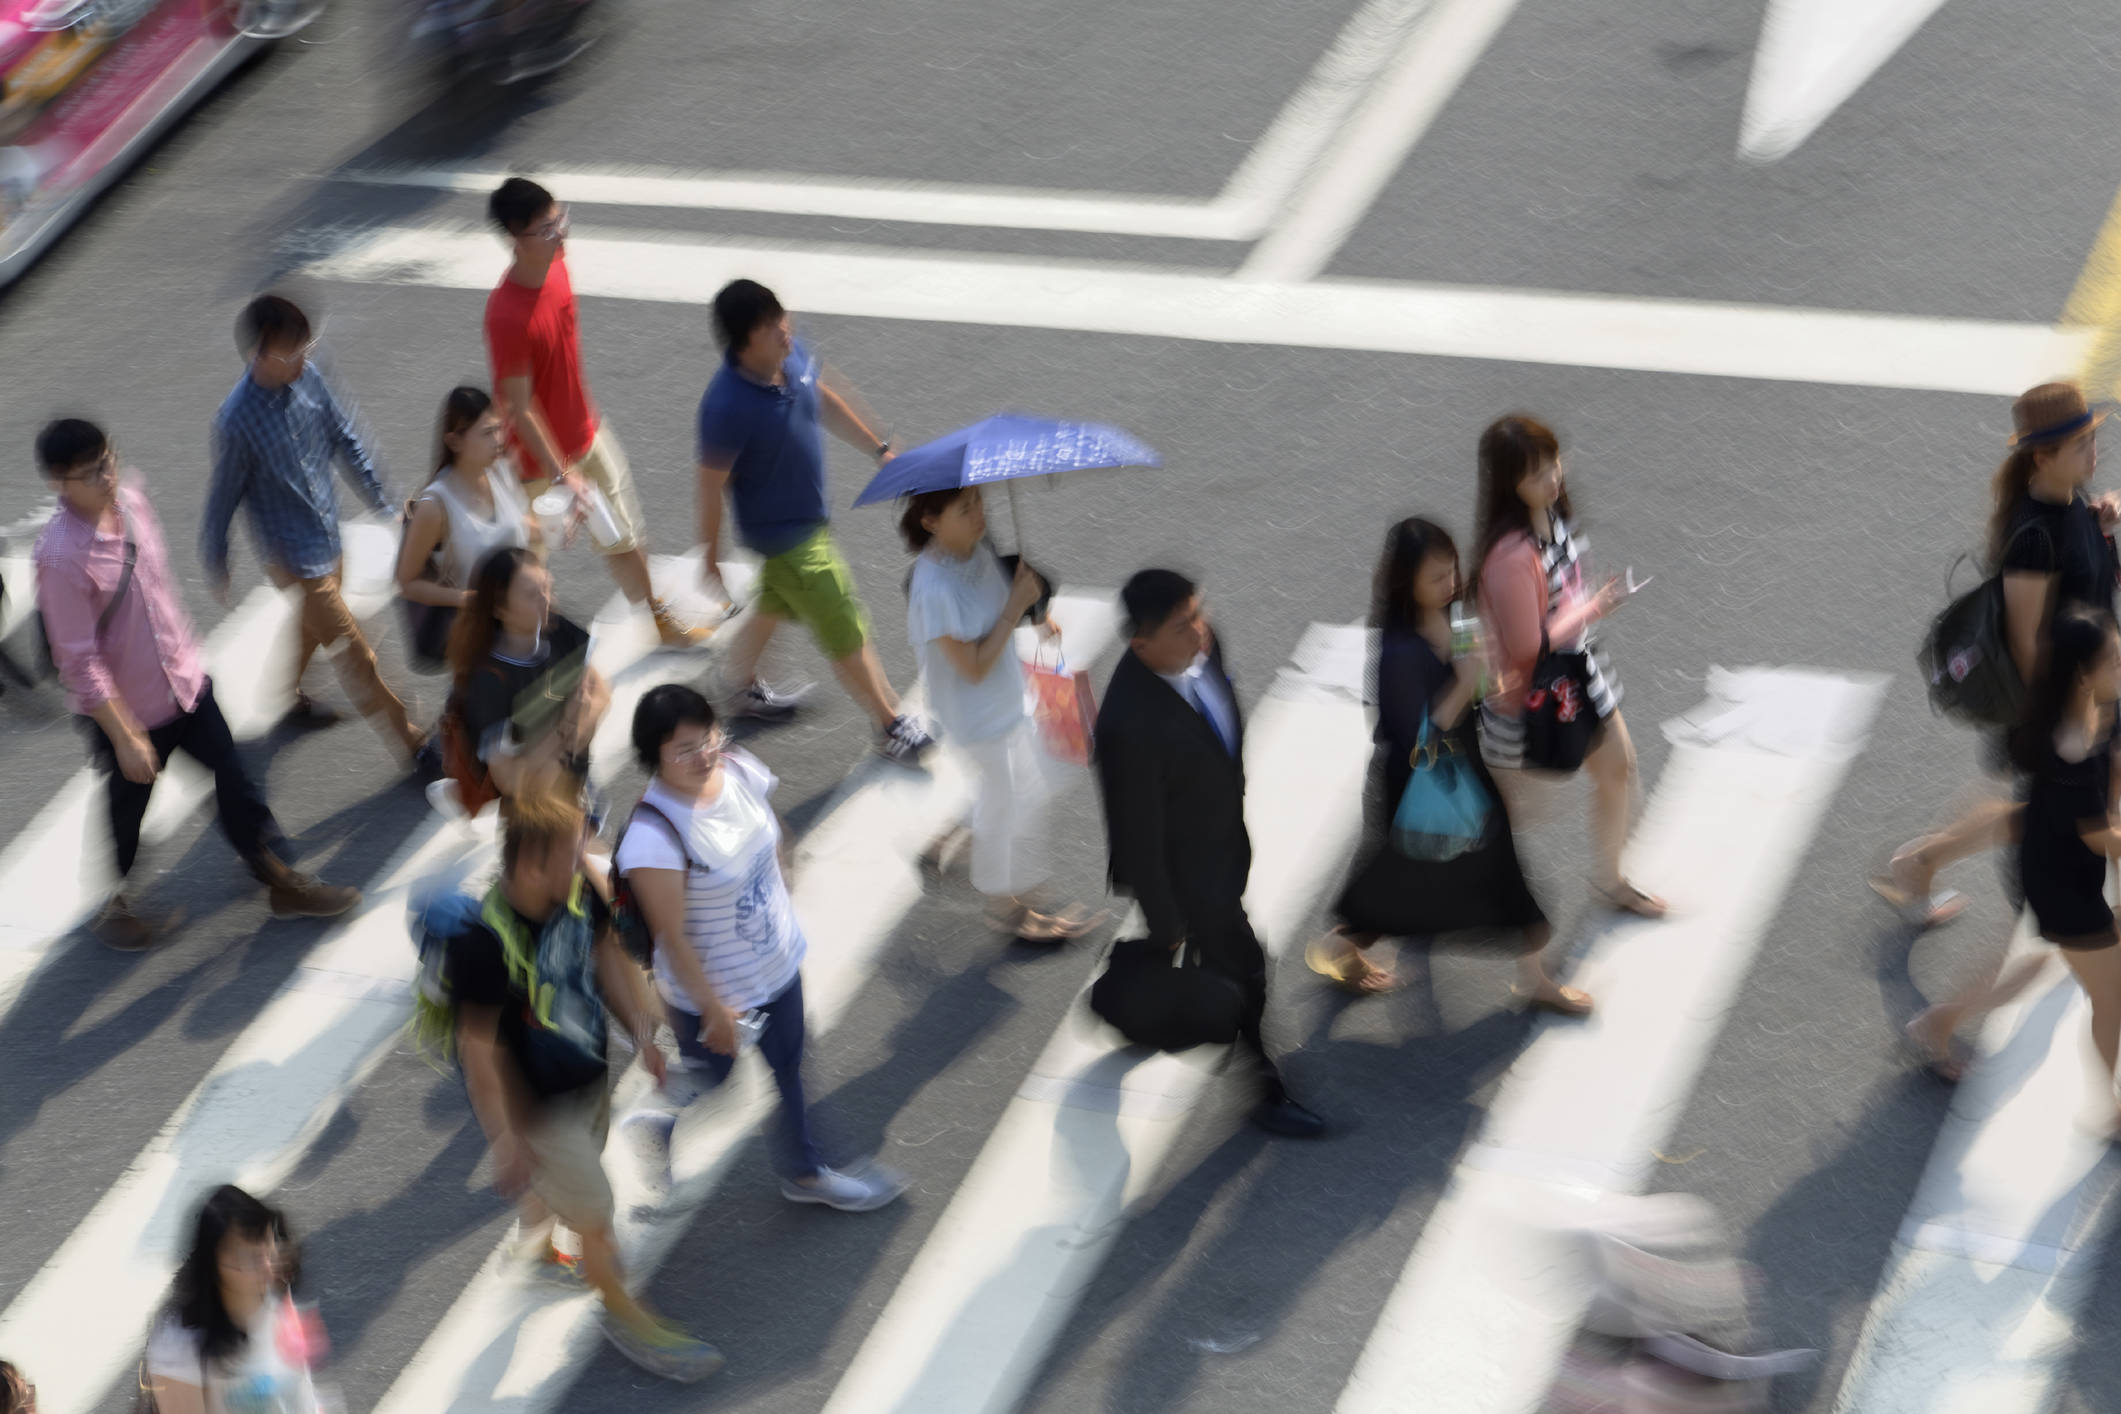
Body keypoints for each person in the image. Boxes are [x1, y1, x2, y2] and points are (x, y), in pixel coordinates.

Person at [33, 419, 357, 950]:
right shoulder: (60, 556)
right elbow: (77, 660)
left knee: (235, 778)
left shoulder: (132, 498)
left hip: (185, 683)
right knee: (128, 809)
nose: (108, 476)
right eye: (91, 473)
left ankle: (281, 878)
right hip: (130, 712)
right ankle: (116, 900)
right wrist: (124, 736)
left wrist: (189, 657)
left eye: (108, 460)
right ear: (58, 484)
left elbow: (158, 589)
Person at [449, 790, 724, 1381]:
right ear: (530, 865)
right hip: (537, 1110)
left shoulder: (576, 893)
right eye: (573, 856)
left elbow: (605, 954)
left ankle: (541, 1246)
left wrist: (642, 1034)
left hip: (585, 1074)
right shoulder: (485, 944)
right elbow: (478, 1052)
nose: (586, 863)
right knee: (598, 1212)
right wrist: (506, 1142)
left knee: (574, 1182)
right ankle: (624, 1314)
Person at [613, 685, 906, 1210]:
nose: (704, 755)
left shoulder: (737, 768)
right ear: (652, 758)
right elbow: (671, 939)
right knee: (718, 1076)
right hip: (717, 993)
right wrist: (712, 1009)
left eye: (707, 738)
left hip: (776, 964)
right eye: (683, 749)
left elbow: (771, 830)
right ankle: (660, 1121)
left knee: (790, 1067)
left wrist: (785, 871)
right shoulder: (653, 837)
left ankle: (804, 1174)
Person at [1899, 384, 2117, 1075]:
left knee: (2036, 831)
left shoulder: (2069, 504)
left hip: (2087, 708)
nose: (2095, 447)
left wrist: (2103, 528)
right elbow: (2029, 648)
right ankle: (1940, 1023)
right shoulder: (2032, 539)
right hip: (2062, 720)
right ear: (2041, 457)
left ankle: (1921, 861)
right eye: (2082, 442)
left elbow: (2086, 597)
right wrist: (2075, 734)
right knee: (2046, 934)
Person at [1306, 518, 1592, 1014]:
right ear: (1406, 582)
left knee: (1492, 873)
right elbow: (1416, 736)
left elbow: (1473, 678)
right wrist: (1466, 683)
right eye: (1436, 577)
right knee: (1401, 878)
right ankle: (1343, 945)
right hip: (1420, 783)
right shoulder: (1399, 652)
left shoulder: (1455, 615)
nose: (1450, 585)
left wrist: (1485, 685)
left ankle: (1534, 978)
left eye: (1451, 571)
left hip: (1465, 771)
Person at [1094, 569, 1325, 1139]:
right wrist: (1170, 917)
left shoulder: (1203, 642)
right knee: (1243, 971)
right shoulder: (1129, 724)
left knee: (1185, 964)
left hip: (1223, 849)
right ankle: (1263, 1086)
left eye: (1198, 613)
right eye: (1182, 626)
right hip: (1188, 877)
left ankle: (1129, 1003)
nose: (1200, 631)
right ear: (1140, 644)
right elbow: (1137, 834)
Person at [695, 277, 935, 766]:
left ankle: (735, 685)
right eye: (769, 327)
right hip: (787, 538)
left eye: (782, 317)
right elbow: (708, 486)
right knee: (843, 621)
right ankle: (890, 723)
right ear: (743, 345)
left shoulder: (791, 354)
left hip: (809, 520)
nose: (785, 330)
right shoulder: (726, 406)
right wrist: (709, 558)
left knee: (776, 602)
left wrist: (880, 449)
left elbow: (821, 396)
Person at [203, 294, 436, 772]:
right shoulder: (235, 422)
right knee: (356, 650)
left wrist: (385, 504)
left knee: (315, 625)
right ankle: (412, 740)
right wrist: (216, 555)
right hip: (290, 556)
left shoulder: (311, 373)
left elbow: (345, 435)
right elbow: (223, 495)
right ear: (259, 355)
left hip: (328, 536)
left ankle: (287, 698)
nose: (303, 360)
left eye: (306, 347)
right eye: (292, 353)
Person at [483, 178, 706, 650]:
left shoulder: (557, 265)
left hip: (587, 433)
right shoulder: (506, 316)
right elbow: (519, 408)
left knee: (624, 533)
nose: (561, 234)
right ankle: (528, 656)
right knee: (529, 569)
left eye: (561, 219)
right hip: (536, 469)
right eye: (546, 228)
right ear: (513, 238)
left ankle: (659, 619)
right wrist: (564, 474)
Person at [1472, 414, 1665, 918]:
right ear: (1510, 484)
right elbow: (1524, 646)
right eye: (1536, 473)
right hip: (1525, 700)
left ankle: (1610, 881)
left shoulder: (1554, 516)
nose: (1553, 478)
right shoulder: (1511, 556)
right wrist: (1594, 607)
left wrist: (1586, 607)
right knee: (1503, 816)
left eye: (1553, 463)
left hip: (1575, 675)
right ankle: (1413, 896)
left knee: (1619, 768)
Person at [899, 487, 1097, 942]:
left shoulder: (976, 550)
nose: (978, 515)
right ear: (931, 521)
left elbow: (998, 611)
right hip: (976, 718)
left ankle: (1016, 886)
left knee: (1020, 793)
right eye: (964, 509)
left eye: (979, 503)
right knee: (1002, 806)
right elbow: (970, 668)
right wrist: (1013, 607)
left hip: (1009, 696)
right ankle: (1004, 910)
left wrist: (1033, 611)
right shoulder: (933, 590)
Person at [2003, 610, 2121, 1130]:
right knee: (2111, 1000)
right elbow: (2102, 836)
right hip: (2064, 893)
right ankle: (2106, 1110)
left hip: (2063, 869)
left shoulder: (2086, 716)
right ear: (2081, 675)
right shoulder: (2071, 750)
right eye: (2113, 659)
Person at [448, 546, 608, 806]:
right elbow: (512, 782)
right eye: (533, 595)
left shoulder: (555, 627)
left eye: (547, 587)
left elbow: (600, 692)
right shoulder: (488, 683)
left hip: (576, 790)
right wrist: (567, 728)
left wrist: (564, 741)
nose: (547, 600)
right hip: (540, 817)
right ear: (500, 609)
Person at [142, 1185, 324, 1414]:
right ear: (214, 1266)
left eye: (268, 1248)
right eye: (248, 1258)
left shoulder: (276, 1306)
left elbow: (300, 1392)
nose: (267, 1266)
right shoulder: (179, 1346)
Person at [393, 386, 540, 659]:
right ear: (454, 442)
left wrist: (557, 527)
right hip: (480, 638)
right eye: (486, 433)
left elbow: (517, 525)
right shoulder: (435, 507)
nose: (498, 440)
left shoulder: (500, 470)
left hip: (525, 619)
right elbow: (408, 582)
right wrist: (463, 599)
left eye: (498, 429)